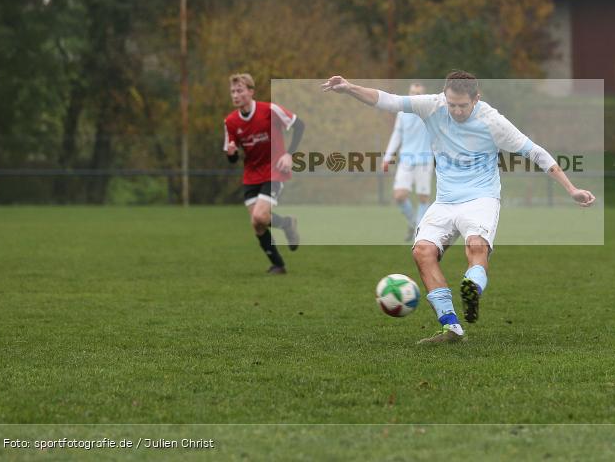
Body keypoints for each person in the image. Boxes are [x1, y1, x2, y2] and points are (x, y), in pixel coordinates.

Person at [322, 70, 595, 344]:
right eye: (452, 104)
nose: (456, 110)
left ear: (476, 98)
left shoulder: (492, 121)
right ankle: (451, 328)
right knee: (422, 252)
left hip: (481, 198)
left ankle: (471, 288)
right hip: (445, 201)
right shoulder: (432, 105)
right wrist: (348, 88)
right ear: (445, 97)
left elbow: (535, 152)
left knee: (476, 246)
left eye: (463, 105)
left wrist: (571, 189)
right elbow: (387, 100)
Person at [224, 73, 304, 274]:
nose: (235, 95)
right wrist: (232, 154)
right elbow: (232, 157)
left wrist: (289, 154)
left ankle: (285, 230)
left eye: (240, 90)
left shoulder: (269, 110)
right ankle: (279, 262)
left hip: (274, 170)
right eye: (233, 91)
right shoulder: (231, 122)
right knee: (257, 224)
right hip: (251, 175)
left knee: (260, 216)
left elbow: (299, 125)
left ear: (251, 92)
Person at [382, 82, 434, 242]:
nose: (415, 96)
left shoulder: (429, 113)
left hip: (425, 160)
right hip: (406, 160)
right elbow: (397, 135)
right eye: (413, 92)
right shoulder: (402, 113)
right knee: (399, 195)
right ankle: (414, 224)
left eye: (419, 93)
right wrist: (387, 157)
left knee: (423, 197)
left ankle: (419, 231)